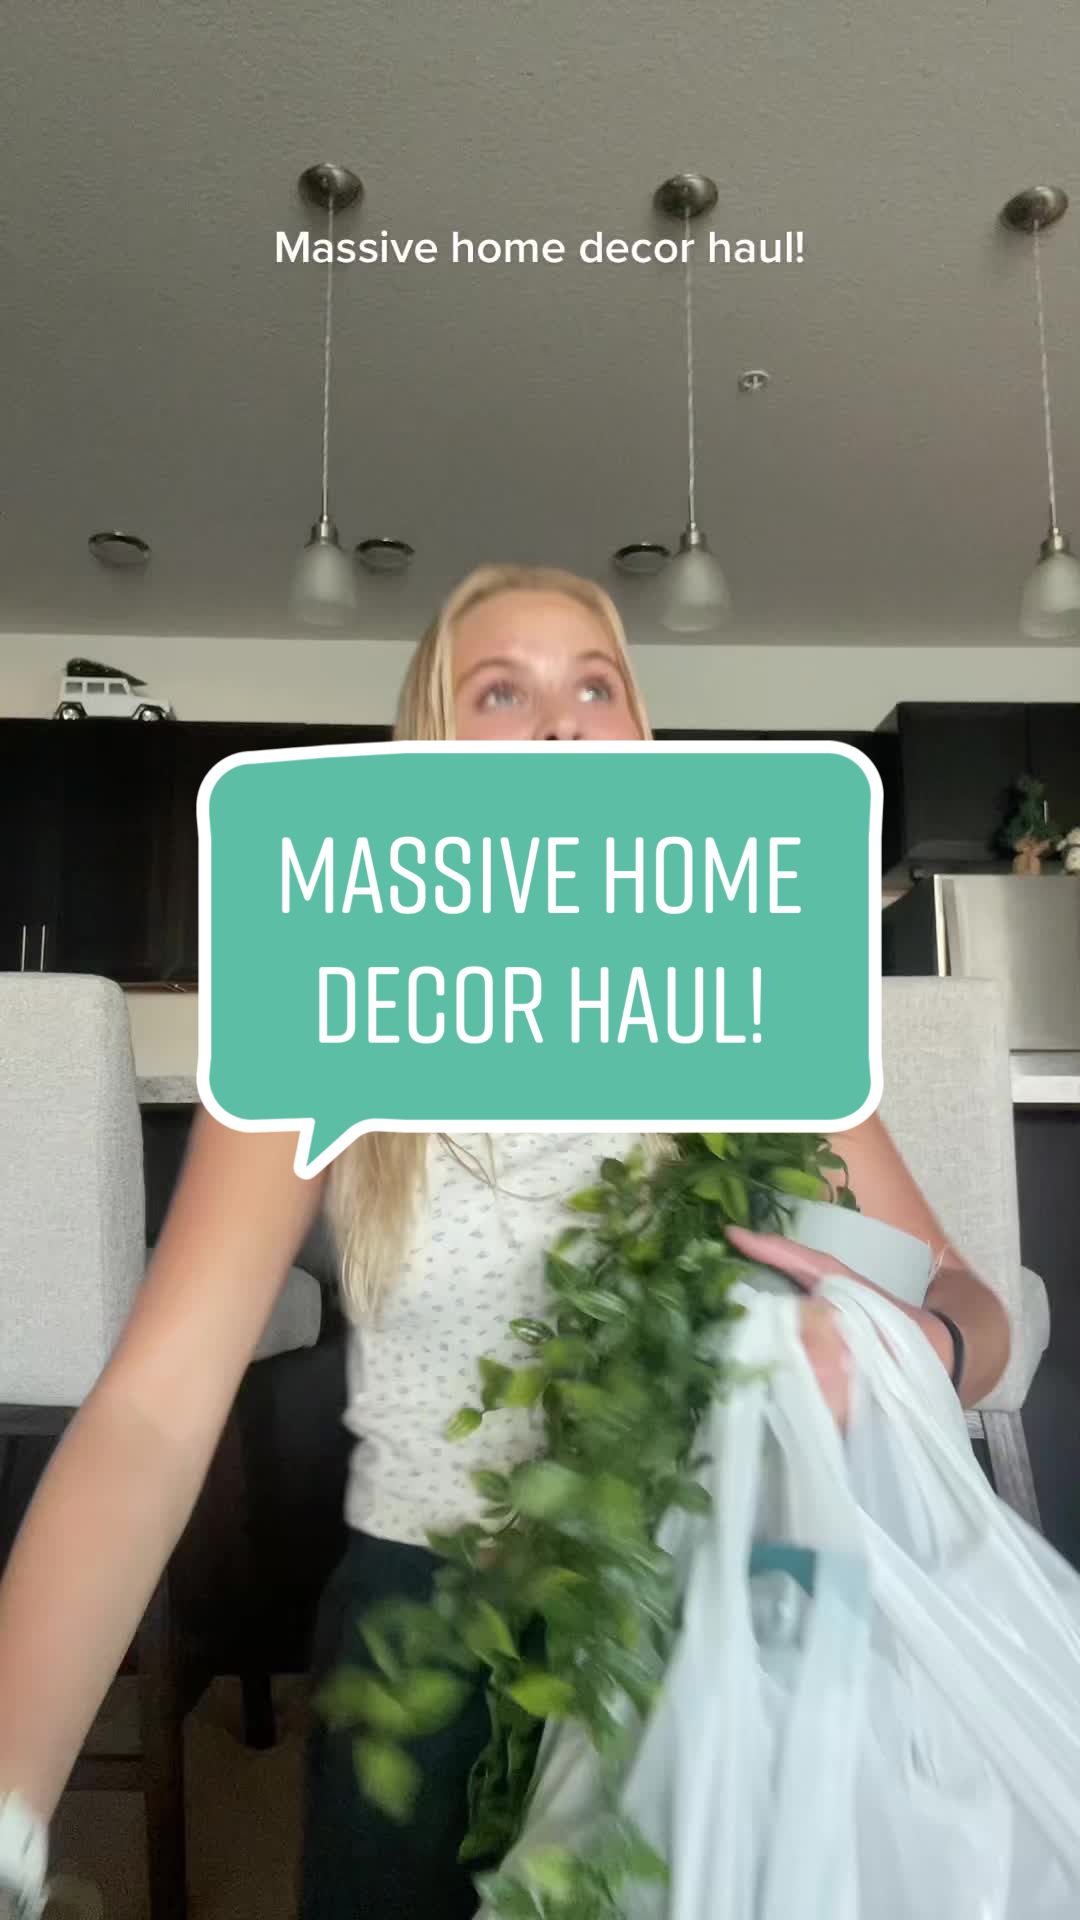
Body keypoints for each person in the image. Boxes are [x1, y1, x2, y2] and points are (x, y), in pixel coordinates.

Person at [0, 563, 1011, 1919]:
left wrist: (904, 1342)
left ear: (641, 740)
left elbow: (980, 1314)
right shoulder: (329, 998)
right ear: (431, 755)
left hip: (709, 1605)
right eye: (499, 691)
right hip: (430, 1609)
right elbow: (151, 1414)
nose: (558, 721)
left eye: (596, 686)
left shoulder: (751, 1011)